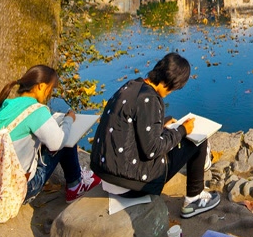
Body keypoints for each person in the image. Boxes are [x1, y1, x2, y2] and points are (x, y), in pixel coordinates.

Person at [90, 52, 220, 218]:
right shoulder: (149, 99)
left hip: (107, 176)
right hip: (130, 184)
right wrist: (182, 130)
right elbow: (152, 150)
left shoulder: (131, 86)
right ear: (175, 83)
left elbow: (132, 126)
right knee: (198, 138)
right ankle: (194, 198)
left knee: (176, 133)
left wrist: (162, 123)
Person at [0, 64, 101, 205]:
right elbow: (59, 142)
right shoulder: (36, 110)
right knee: (66, 136)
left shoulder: (7, 104)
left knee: (52, 136)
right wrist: (68, 120)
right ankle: (75, 185)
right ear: (40, 86)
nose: (48, 95)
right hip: (21, 190)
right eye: (49, 90)